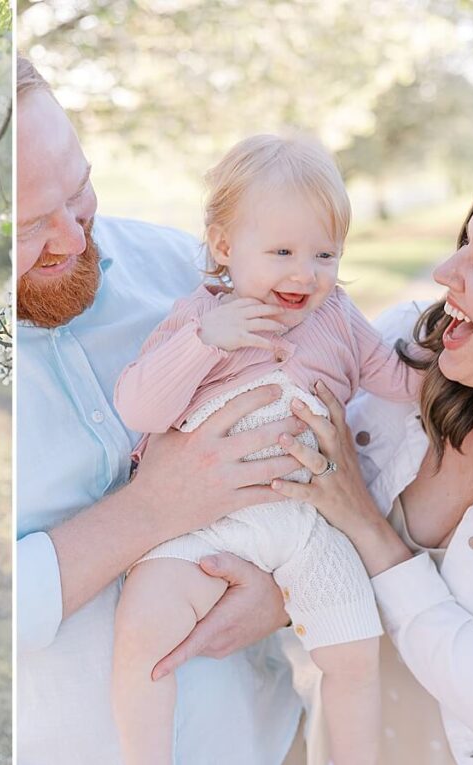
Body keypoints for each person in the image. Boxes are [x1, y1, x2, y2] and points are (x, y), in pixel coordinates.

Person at [16, 57, 307, 764]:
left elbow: (325, 431)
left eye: (79, 190)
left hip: (265, 741)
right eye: (28, 226)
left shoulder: (189, 276)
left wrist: (288, 590)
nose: (74, 236)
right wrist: (155, 507)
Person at [111, 135, 421, 765]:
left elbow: (397, 381)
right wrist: (205, 342)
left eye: (324, 254)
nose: (304, 273)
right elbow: (139, 409)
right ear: (225, 247)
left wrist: (450, 360)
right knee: (144, 625)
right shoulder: (200, 317)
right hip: (206, 526)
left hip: (308, 527)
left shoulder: (335, 315)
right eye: (281, 251)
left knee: (356, 657)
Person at [272, 161, 473, 764]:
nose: (445, 273)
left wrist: (368, 525)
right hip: (320, 740)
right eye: (464, 243)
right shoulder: (397, 354)